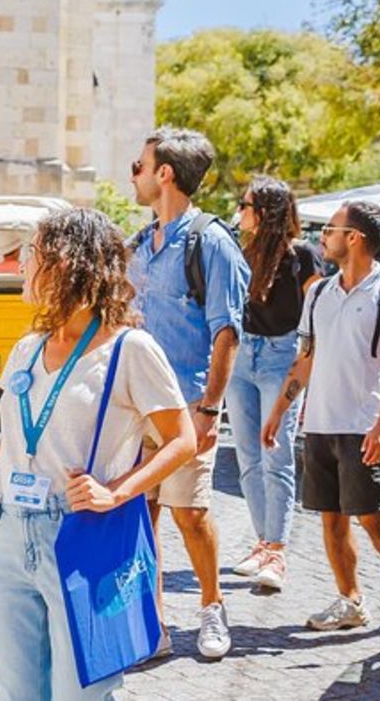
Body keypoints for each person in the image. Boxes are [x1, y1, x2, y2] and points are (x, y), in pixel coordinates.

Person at [0, 208, 196, 700]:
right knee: (17, 694)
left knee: (80, 693)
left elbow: (183, 439)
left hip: (81, 535)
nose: (22, 265)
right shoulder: (26, 349)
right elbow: (7, 451)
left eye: (32, 254)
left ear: (66, 263)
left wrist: (117, 492)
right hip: (7, 533)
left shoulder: (130, 349)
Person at [127, 127, 249, 659]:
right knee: (142, 515)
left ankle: (212, 606)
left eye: (139, 165)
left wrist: (209, 411)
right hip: (136, 410)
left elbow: (227, 333)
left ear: (165, 173)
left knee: (190, 514)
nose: (133, 175)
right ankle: (151, 623)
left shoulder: (211, 243)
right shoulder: (138, 245)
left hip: (186, 408)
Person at [263, 201, 380, 634]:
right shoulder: (319, 292)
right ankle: (351, 601)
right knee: (331, 517)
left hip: (362, 426)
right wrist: (278, 411)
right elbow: (305, 358)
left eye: (330, 229)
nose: (322, 237)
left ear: (354, 238)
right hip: (319, 424)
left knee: (373, 517)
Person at [223, 178, 321, 591]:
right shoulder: (241, 252)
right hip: (241, 357)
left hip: (281, 359)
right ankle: (263, 543)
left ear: (265, 212)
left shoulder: (303, 255)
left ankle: (277, 552)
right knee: (247, 456)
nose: (239, 211)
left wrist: (307, 363)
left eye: (245, 205)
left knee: (275, 457)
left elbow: (317, 313)